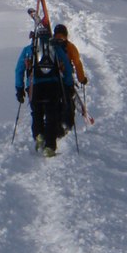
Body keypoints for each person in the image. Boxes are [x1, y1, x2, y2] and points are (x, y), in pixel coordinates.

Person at [15, 29, 72, 157]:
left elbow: (19, 70)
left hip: (34, 87)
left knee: (37, 113)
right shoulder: (56, 48)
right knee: (51, 116)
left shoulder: (28, 50)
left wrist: (19, 89)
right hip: (53, 86)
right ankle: (50, 147)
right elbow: (67, 66)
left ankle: (39, 135)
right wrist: (69, 85)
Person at [52, 23, 88, 137]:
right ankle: (68, 125)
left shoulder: (50, 44)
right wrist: (81, 78)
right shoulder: (70, 46)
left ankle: (56, 127)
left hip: (52, 80)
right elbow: (77, 63)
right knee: (68, 102)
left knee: (55, 103)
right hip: (66, 80)